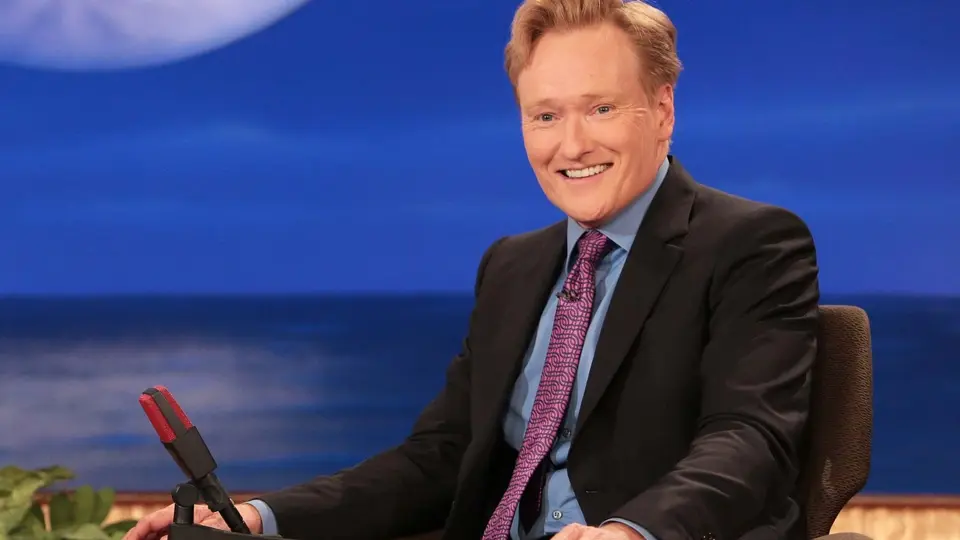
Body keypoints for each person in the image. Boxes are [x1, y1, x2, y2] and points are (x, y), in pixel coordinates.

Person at [125, 0, 820, 539]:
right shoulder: (512, 266)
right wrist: (261, 517)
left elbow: (748, 440)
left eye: (600, 108)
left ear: (661, 111)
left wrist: (630, 530)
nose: (570, 144)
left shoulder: (753, 244)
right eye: (544, 115)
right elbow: (439, 458)